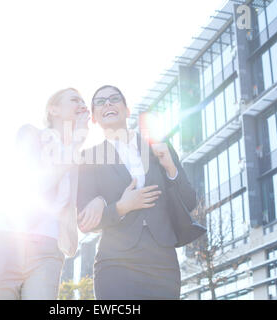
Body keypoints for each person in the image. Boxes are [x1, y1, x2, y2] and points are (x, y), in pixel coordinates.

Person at [76, 85, 206, 300]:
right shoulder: (89, 157)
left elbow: (189, 202)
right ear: (94, 119)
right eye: (100, 101)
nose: (107, 103)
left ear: (127, 110)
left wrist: (170, 168)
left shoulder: (158, 146)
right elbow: (85, 222)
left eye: (114, 98)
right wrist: (121, 207)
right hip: (115, 261)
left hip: (162, 260)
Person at [0, 88, 102, 299]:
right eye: (74, 100)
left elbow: (77, 207)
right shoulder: (31, 134)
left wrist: (99, 201)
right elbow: (34, 186)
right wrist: (76, 143)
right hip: (7, 241)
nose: (82, 105)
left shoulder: (78, 159)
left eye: (83, 102)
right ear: (53, 110)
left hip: (47, 249)